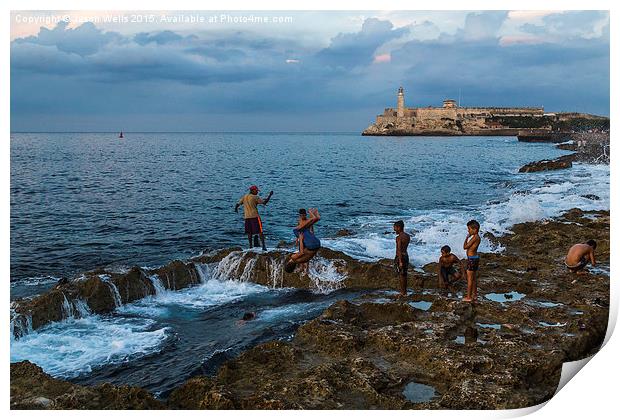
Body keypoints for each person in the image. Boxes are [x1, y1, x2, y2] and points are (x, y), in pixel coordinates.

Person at [234, 186, 273, 251]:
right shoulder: (255, 197)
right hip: (255, 217)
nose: (257, 192)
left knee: (249, 233)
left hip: (247, 217)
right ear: (252, 190)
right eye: (256, 190)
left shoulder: (245, 196)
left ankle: (250, 246)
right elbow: (264, 202)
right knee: (260, 231)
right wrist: (270, 195)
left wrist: (236, 209)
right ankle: (263, 246)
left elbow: (237, 204)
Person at [284, 208, 321, 273]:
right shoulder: (294, 258)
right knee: (295, 230)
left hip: (317, 245)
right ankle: (313, 217)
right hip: (311, 245)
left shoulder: (301, 261)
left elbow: (304, 253)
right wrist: (300, 239)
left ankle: (316, 218)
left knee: (304, 229)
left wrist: (298, 238)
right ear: (288, 263)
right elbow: (301, 252)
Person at [463, 220, 481, 303]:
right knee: (473, 278)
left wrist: (467, 237)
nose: (468, 231)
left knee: (469, 279)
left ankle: (469, 297)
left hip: (472, 259)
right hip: (475, 258)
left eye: (469, 229)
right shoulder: (477, 237)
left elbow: (465, 247)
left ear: (475, 229)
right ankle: (475, 295)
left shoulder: (475, 237)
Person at [393, 220, 411, 297]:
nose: (394, 230)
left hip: (400, 257)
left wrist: (400, 261)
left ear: (399, 227)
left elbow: (399, 250)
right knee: (404, 275)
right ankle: (405, 291)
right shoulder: (407, 236)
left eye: (395, 228)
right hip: (406, 256)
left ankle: (402, 292)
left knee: (401, 275)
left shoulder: (398, 238)